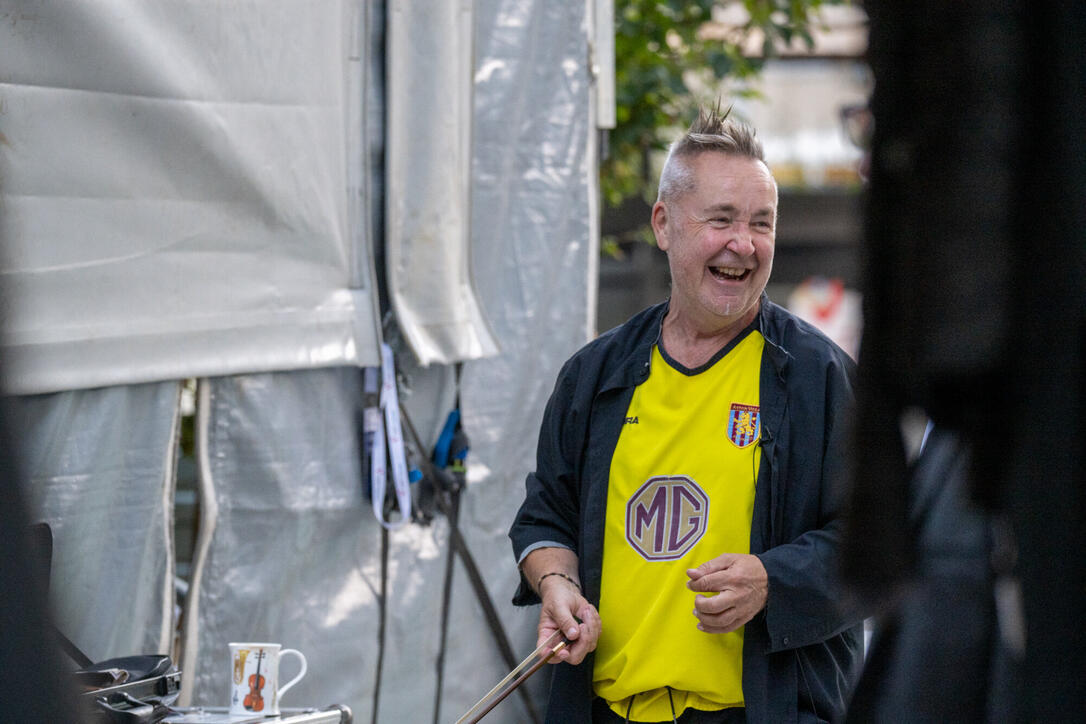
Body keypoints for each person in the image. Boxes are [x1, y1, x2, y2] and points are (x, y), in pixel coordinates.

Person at [509, 106, 862, 723]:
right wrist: (555, 585)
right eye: (722, 219)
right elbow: (546, 515)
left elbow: (873, 543)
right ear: (664, 224)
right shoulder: (594, 375)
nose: (744, 244)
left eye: (762, 223)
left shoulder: (817, 377)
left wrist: (773, 581)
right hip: (605, 710)